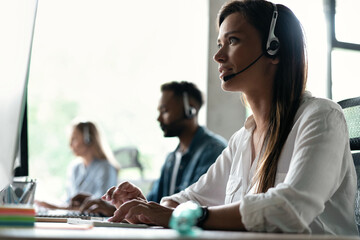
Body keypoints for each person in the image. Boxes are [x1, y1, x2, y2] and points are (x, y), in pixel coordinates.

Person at [101, 0, 358, 235]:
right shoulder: (242, 140)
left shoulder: (321, 118)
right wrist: (145, 207)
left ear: (274, 49)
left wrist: (186, 216)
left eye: (233, 41)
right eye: (219, 44)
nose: (218, 56)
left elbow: (288, 209)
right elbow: (189, 199)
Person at [77, 81, 227, 216]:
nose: (159, 118)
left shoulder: (213, 151)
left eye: (165, 111)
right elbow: (154, 204)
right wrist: (117, 207)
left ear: (190, 110)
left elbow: (198, 207)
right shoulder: (172, 158)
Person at [35, 120, 120, 210]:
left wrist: (55, 207)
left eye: (74, 139)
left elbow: (100, 206)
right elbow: (68, 200)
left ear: (88, 139)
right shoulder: (75, 168)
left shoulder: (105, 168)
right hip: (74, 217)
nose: (70, 145)